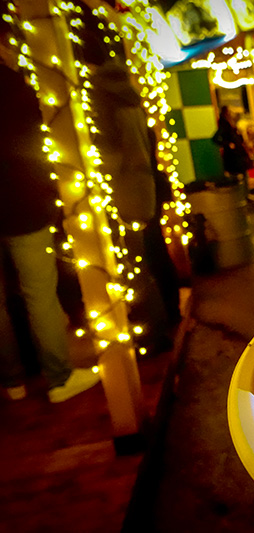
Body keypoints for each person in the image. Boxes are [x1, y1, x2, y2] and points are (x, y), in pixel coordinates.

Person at [0, 42, 99, 403]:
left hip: (20, 202)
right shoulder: (15, 86)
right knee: (39, 293)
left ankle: (12, 382)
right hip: (24, 205)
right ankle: (58, 379)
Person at [89, 58, 175, 355]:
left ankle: (153, 333)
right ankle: (164, 319)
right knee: (146, 261)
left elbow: (112, 158)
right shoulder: (132, 105)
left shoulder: (107, 110)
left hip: (124, 194)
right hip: (144, 190)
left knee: (134, 268)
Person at [212, 106, 250, 178]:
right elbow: (215, 138)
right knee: (238, 174)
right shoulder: (225, 125)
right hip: (234, 154)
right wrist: (228, 144)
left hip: (235, 153)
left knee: (239, 173)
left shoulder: (229, 124)